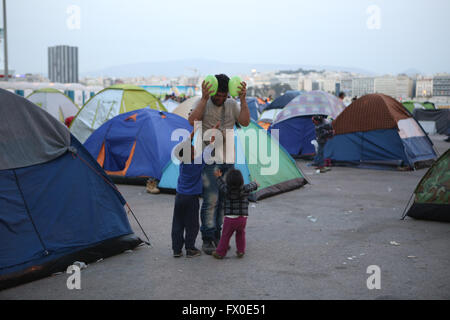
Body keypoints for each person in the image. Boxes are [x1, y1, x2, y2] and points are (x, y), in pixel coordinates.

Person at [188, 74, 251, 255]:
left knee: (224, 200)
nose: (221, 99)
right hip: (209, 160)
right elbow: (192, 121)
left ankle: (218, 236)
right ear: (213, 91)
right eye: (218, 96)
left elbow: (245, 121)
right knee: (211, 199)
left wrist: (243, 99)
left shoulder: (232, 104)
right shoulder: (204, 102)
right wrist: (204, 98)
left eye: (224, 96)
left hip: (228, 159)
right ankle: (208, 238)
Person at [211, 169, 258, 259]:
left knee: (226, 235)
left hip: (230, 219)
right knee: (241, 233)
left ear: (228, 181)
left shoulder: (226, 189)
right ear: (241, 180)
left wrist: (218, 177)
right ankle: (241, 251)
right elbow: (252, 186)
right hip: (242, 218)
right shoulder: (245, 188)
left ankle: (220, 253)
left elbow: (221, 186)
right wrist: (255, 183)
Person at [171, 129, 204, 258]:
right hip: (192, 199)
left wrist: (194, 132)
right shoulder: (197, 164)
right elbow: (208, 151)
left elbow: (185, 146)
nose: (194, 149)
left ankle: (176, 249)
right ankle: (190, 248)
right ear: (191, 154)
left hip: (179, 197)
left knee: (178, 223)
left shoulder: (182, 162)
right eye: (193, 148)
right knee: (192, 224)